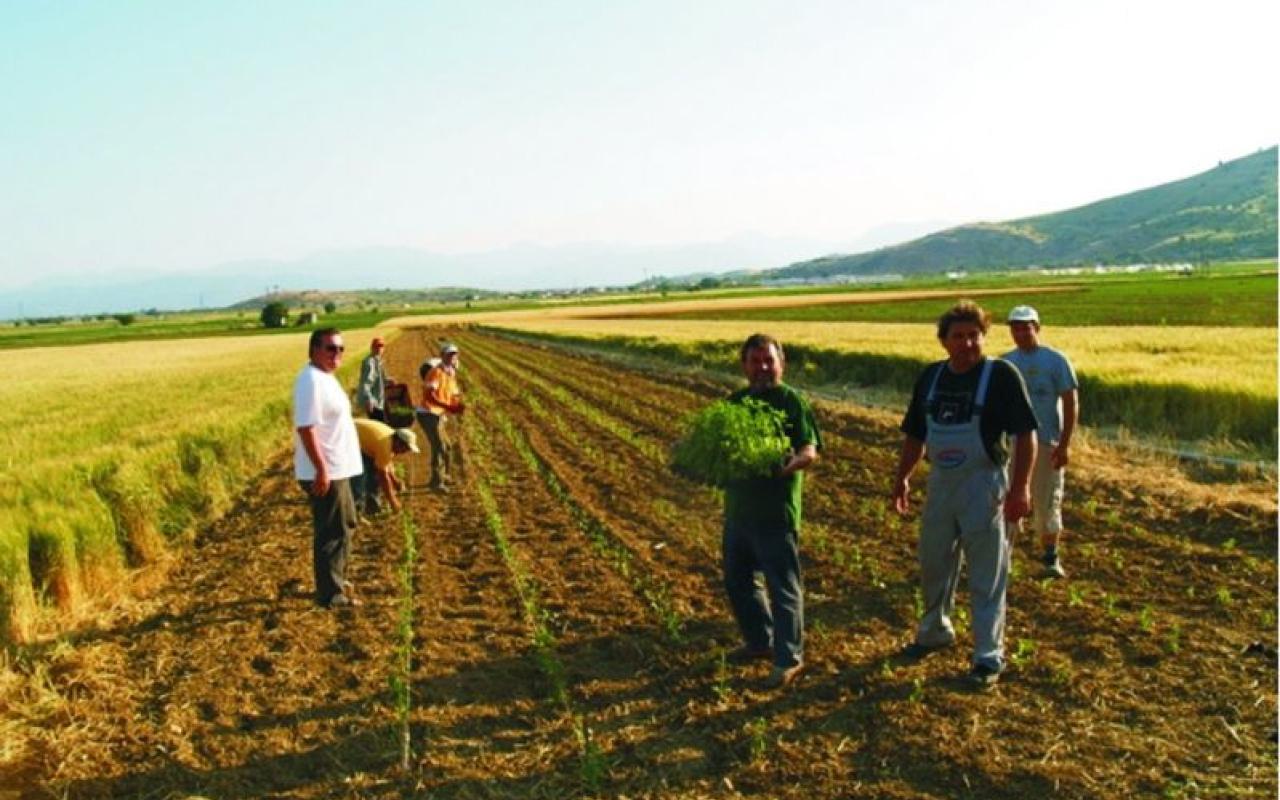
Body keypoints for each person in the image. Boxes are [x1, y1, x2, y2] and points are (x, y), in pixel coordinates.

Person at [891, 301, 1037, 688]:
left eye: (975, 335)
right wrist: (902, 477)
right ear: (944, 342)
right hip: (941, 483)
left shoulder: (1001, 375)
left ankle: (988, 656)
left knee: (987, 574)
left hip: (985, 483)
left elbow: (1026, 434)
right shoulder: (932, 378)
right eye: (959, 336)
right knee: (934, 561)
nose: (968, 343)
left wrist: (1020, 488)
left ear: (984, 337)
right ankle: (934, 631)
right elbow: (915, 434)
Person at [721, 333, 821, 690]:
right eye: (755, 361)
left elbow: (810, 448)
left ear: (782, 363)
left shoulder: (791, 401)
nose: (762, 368)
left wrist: (793, 463)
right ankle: (760, 642)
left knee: (783, 587)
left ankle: (788, 657)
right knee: (738, 581)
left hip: (776, 512)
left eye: (769, 361)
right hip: (738, 510)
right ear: (744, 365)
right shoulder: (734, 402)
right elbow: (719, 447)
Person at [1002, 305, 1079, 579]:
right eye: (1016, 327)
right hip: (1012, 444)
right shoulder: (1004, 363)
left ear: (1038, 327)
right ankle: (1003, 559)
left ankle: (1050, 559)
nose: (1022, 332)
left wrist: (1065, 443)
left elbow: (1070, 403)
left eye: (1027, 326)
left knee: (1048, 500)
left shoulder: (1056, 361)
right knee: (1008, 499)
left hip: (1047, 443)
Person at [293, 327, 363, 608]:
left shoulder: (325, 378)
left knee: (345, 524)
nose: (337, 354)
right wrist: (321, 470)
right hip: (325, 471)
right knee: (331, 532)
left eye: (340, 349)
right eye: (330, 348)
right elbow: (306, 428)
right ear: (314, 350)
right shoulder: (310, 380)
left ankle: (336, 581)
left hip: (338, 468)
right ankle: (330, 594)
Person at [417, 344, 464, 492]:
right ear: (442, 356)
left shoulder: (451, 375)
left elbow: (454, 396)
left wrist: (458, 406)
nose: (452, 357)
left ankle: (442, 477)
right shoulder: (436, 372)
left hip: (438, 415)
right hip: (428, 413)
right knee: (440, 447)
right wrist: (449, 407)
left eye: (454, 354)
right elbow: (429, 396)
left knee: (447, 447)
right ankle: (437, 483)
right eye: (449, 354)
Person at [353, 418, 421, 516]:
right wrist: (393, 502)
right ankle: (356, 513)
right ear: (398, 442)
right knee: (359, 479)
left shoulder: (391, 440)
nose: (404, 453)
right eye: (405, 449)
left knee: (373, 474)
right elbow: (383, 476)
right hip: (347, 437)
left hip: (361, 441)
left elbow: (386, 464)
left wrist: (395, 481)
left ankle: (372, 508)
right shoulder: (385, 444)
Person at [355, 336, 391, 422]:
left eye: (381, 346)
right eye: (377, 346)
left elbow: (381, 379)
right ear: (372, 347)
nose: (379, 348)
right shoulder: (369, 363)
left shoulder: (378, 361)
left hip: (378, 401)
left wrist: (388, 380)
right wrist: (369, 399)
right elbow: (366, 383)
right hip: (373, 402)